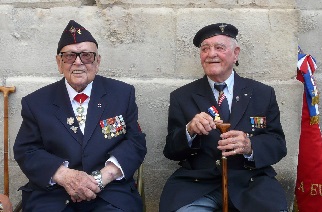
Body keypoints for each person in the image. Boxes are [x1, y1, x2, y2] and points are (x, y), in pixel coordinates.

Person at [13, 20, 147, 211]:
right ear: (59, 63)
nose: (78, 62)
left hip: (110, 193)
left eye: (86, 55)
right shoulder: (36, 102)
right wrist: (64, 176)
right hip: (54, 196)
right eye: (69, 56)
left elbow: (135, 142)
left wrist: (103, 177)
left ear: (97, 61)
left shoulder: (122, 94)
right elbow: (26, 150)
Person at [159, 23, 288, 212]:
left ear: (235, 53)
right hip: (198, 184)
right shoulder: (182, 96)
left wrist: (250, 146)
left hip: (250, 184)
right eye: (205, 49)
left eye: (219, 48)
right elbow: (170, 151)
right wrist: (189, 131)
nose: (211, 54)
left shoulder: (262, 93)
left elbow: (278, 145)